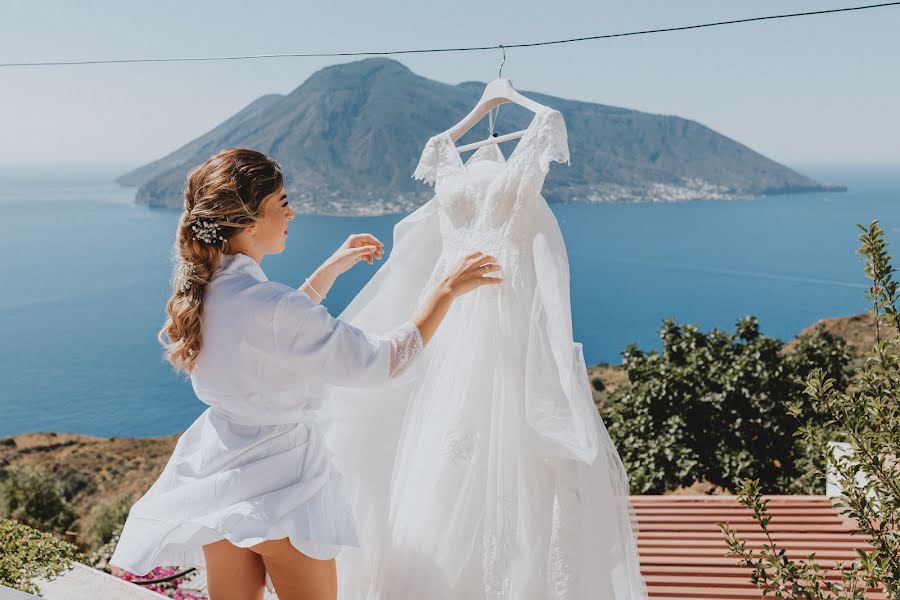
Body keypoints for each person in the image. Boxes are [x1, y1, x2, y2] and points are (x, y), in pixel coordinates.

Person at [109, 147, 502, 600]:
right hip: (284, 484)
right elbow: (383, 361)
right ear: (249, 223)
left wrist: (329, 270)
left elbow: (269, 333)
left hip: (219, 476)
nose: (292, 212)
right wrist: (444, 291)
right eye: (281, 202)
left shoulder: (207, 292)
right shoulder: (274, 307)